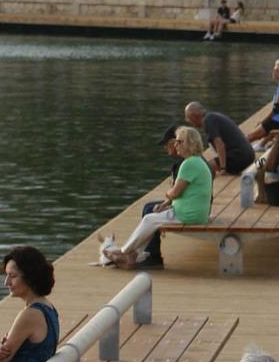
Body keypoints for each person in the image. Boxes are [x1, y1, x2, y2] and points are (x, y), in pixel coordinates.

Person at [102, 125, 215, 268]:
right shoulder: (197, 161)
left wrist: (167, 195)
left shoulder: (188, 164)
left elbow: (175, 192)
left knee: (149, 219)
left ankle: (125, 251)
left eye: (179, 141)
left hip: (188, 214)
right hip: (194, 211)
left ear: (189, 144)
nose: (175, 145)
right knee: (152, 220)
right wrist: (166, 203)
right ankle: (132, 255)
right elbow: (182, 192)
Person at [0, 248, 60, 362]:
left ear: (29, 278)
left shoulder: (30, 315)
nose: (6, 282)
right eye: (6, 275)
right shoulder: (49, 308)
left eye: (12, 276)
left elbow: (1, 361)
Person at [184, 102, 256, 177]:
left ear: (194, 116)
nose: (189, 122)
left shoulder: (207, 121)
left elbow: (219, 144)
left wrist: (223, 168)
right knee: (206, 166)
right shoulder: (212, 116)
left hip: (240, 157)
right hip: (248, 155)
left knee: (204, 168)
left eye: (188, 119)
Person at [249, 59, 279, 144]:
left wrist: (264, 121)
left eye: (277, 70)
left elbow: (277, 109)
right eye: (274, 69)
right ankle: (260, 146)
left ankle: (234, 155)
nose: (274, 72)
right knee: (254, 136)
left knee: (249, 137)